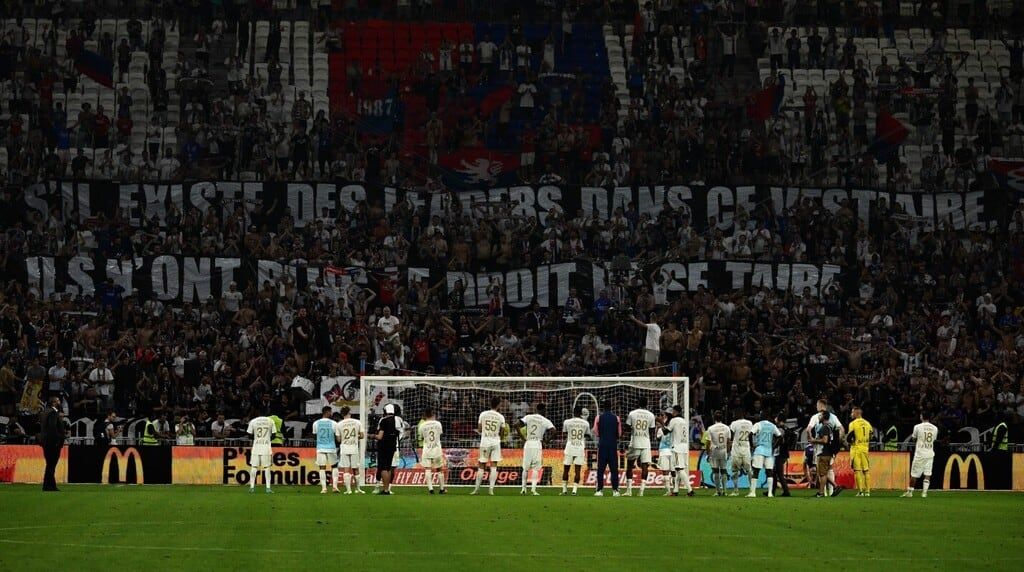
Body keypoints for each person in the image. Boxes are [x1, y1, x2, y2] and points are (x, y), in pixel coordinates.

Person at [805, 399, 845, 495]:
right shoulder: (833, 417)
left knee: (821, 470)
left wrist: (811, 439)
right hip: (831, 448)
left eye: (817, 405)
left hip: (820, 447)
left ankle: (824, 492)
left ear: (820, 405)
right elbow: (842, 429)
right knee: (829, 468)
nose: (816, 407)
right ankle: (832, 490)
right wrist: (838, 443)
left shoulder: (816, 417)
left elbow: (808, 429)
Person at [517, 403, 554, 496]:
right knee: (535, 468)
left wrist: (522, 438)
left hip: (528, 443)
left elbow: (516, 425)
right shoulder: (545, 420)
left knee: (525, 468)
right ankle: (533, 490)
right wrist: (546, 441)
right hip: (537, 444)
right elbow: (554, 431)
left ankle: (523, 489)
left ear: (537, 409)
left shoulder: (529, 417)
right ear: (543, 410)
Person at [472, 397, 506, 496]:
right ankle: (491, 490)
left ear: (490, 404)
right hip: (496, 442)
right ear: (498, 405)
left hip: (485, 442)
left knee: (481, 464)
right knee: (494, 465)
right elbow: (502, 432)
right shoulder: (501, 417)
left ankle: (476, 489)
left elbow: (479, 429)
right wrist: (499, 436)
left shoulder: (483, 414)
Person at [903, 412, 939, 498]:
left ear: (922, 417)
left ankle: (910, 492)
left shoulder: (917, 427)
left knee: (914, 474)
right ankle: (924, 493)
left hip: (920, 453)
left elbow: (914, 439)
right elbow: (933, 440)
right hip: (930, 453)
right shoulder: (935, 428)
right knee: (927, 473)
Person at [624, 405, 655, 496]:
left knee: (630, 465)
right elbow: (652, 430)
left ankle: (629, 490)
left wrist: (634, 430)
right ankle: (641, 491)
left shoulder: (632, 413)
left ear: (638, 404)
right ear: (647, 404)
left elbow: (627, 427)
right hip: (646, 443)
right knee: (645, 466)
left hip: (635, 442)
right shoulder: (651, 415)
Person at [592, 400, 621, 497]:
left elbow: (595, 432)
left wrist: (603, 434)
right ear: (611, 407)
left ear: (603, 408)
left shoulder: (598, 417)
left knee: (600, 469)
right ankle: (615, 490)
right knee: (614, 469)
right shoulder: (616, 418)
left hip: (603, 445)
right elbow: (619, 433)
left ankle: (599, 490)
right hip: (613, 446)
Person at [560, 406, 590, 496]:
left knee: (566, 469)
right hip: (580, 447)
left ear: (573, 412)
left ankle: (564, 490)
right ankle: (574, 491)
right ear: (581, 412)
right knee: (578, 470)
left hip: (569, 446)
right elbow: (587, 435)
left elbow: (565, 433)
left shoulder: (567, 422)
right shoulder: (585, 423)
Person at [751, 414, 782, 498]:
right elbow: (780, 437)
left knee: (756, 471)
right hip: (769, 451)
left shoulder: (758, 424)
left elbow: (751, 434)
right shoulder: (773, 426)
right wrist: (773, 446)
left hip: (759, 450)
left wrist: (752, 445)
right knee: (769, 472)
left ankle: (753, 493)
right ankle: (770, 493)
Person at [666, 404, 694, 496]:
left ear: (676, 412)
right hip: (685, 447)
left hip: (677, 447)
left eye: (673, 411)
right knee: (679, 469)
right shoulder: (684, 421)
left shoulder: (674, 420)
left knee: (679, 469)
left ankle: (690, 490)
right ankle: (675, 491)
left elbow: (666, 431)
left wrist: (662, 422)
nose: (672, 413)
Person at [374, 404, 401, 495]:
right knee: (390, 468)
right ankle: (388, 488)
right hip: (394, 446)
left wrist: (372, 436)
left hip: (384, 446)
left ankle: (384, 489)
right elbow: (401, 433)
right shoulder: (398, 420)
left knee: (383, 468)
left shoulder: (383, 420)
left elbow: (380, 435)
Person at [246, 414, 278, 493]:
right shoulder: (270, 421)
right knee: (267, 468)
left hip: (256, 447)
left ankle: (252, 487)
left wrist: (257, 439)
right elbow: (274, 435)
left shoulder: (253, 421)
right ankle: (268, 488)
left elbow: (249, 435)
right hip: (266, 447)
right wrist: (267, 439)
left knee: (254, 467)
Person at [418, 408, 446, 494]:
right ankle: (441, 489)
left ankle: (430, 489)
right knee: (439, 469)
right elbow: (440, 434)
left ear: (425, 416)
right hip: (437, 449)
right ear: (433, 415)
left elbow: (421, 437)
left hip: (427, 449)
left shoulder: (422, 425)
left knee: (427, 469)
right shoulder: (438, 424)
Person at [337, 407, 364, 494]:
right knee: (355, 468)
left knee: (346, 469)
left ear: (342, 414)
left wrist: (345, 439)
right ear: (349, 412)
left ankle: (348, 490)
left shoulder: (339, 424)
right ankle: (358, 489)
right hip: (354, 447)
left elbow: (338, 439)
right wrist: (355, 437)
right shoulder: (357, 422)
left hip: (344, 447)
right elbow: (362, 436)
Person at [312, 406, 340, 494]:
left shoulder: (316, 423)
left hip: (320, 448)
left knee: (322, 468)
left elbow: (315, 435)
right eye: (331, 412)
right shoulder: (334, 423)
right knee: (334, 466)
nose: (331, 413)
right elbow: (337, 436)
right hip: (331, 447)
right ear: (327, 412)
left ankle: (324, 488)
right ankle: (335, 487)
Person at [847, 406, 873, 496]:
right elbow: (871, 436)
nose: (851, 414)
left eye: (852, 412)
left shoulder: (852, 424)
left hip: (856, 448)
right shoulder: (867, 423)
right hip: (865, 448)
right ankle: (868, 492)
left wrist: (849, 442)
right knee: (866, 470)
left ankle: (861, 491)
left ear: (856, 413)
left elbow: (849, 437)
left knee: (857, 470)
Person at [40, 396, 65, 491]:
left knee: (50, 464)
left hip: (47, 442)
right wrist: (57, 440)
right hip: (52, 443)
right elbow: (52, 428)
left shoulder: (46, 412)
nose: (60, 402)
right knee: (51, 464)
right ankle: (48, 486)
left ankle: (49, 485)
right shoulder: (53, 413)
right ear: (54, 403)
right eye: (58, 401)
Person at [704, 410, 731, 496]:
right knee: (723, 470)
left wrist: (708, 453)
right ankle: (725, 491)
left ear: (714, 418)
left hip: (715, 451)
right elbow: (728, 441)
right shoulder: (727, 428)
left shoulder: (711, 428)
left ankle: (717, 491)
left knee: (715, 471)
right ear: (722, 418)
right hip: (723, 450)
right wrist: (728, 452)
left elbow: (708, 442)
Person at [809, 410, 835, 498]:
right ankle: (834, 486)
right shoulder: (830, 426)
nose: (818, 417)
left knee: (822, 474)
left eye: (820, 415)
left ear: (824, 416)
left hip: (824, 453)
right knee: (824, 473)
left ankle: (821, 492)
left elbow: (825, 440)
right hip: (828, 453)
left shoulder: (824, 427)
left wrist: (814, 440)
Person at [728, 412, 754, 496]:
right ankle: (752, 490)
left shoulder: (734, 423)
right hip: (746, 448)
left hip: (736, 449)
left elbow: (730, 435)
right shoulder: (750, 423)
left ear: (736, 415)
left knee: (735, 470)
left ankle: (736, 490)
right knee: (749, 470)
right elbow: (751, 435)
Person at [771, 414, 792, 497]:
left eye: (776, 417)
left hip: (780, 453)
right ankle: (772, 491)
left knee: (779, 474)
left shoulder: (780, 429)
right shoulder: (786, 428)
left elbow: (780, 440)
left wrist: (773, 446)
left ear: (779, 419)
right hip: (784, 453)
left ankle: (786, 491)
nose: (775, 419)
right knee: (775, 473)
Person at [655, 412, 675, 496]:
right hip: (673, 450)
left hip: (664, 451)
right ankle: (675, 490)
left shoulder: (661, 429)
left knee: (665, 472)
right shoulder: (673, 428)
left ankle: (668, 491)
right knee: (674, 471)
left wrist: (657, 429)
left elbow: (658, 439)